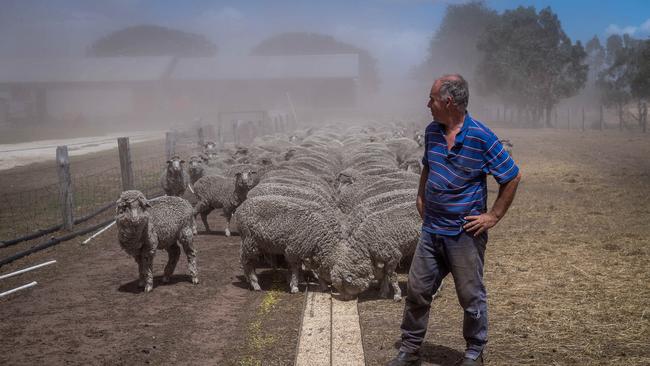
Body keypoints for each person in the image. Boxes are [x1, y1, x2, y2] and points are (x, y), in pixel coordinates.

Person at [388, 74, 522, 366]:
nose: (428, 104)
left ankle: (474, 352)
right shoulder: (432, 132)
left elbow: (511, 175)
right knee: (418, 289)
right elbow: (428, 165)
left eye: (432, 99)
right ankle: (410, 349)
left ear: (448, 102)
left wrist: (493, 215)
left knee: (470, 296)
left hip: (464, 234)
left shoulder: (481, 136)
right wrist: (421, 194)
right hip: (432, 229)